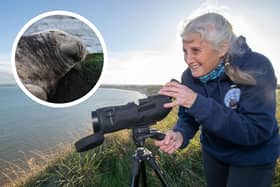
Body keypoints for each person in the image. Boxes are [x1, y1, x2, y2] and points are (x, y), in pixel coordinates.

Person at [154, 12, 280, 187]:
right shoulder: (189, 76)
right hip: (214, 153)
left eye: (195, 50)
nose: (188, 60)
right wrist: (180, 133)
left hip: (253, 157)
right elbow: (188, 116)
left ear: (222, 48)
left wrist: (196, 102)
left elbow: (256, 130)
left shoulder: (257, 66)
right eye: (185, 51)